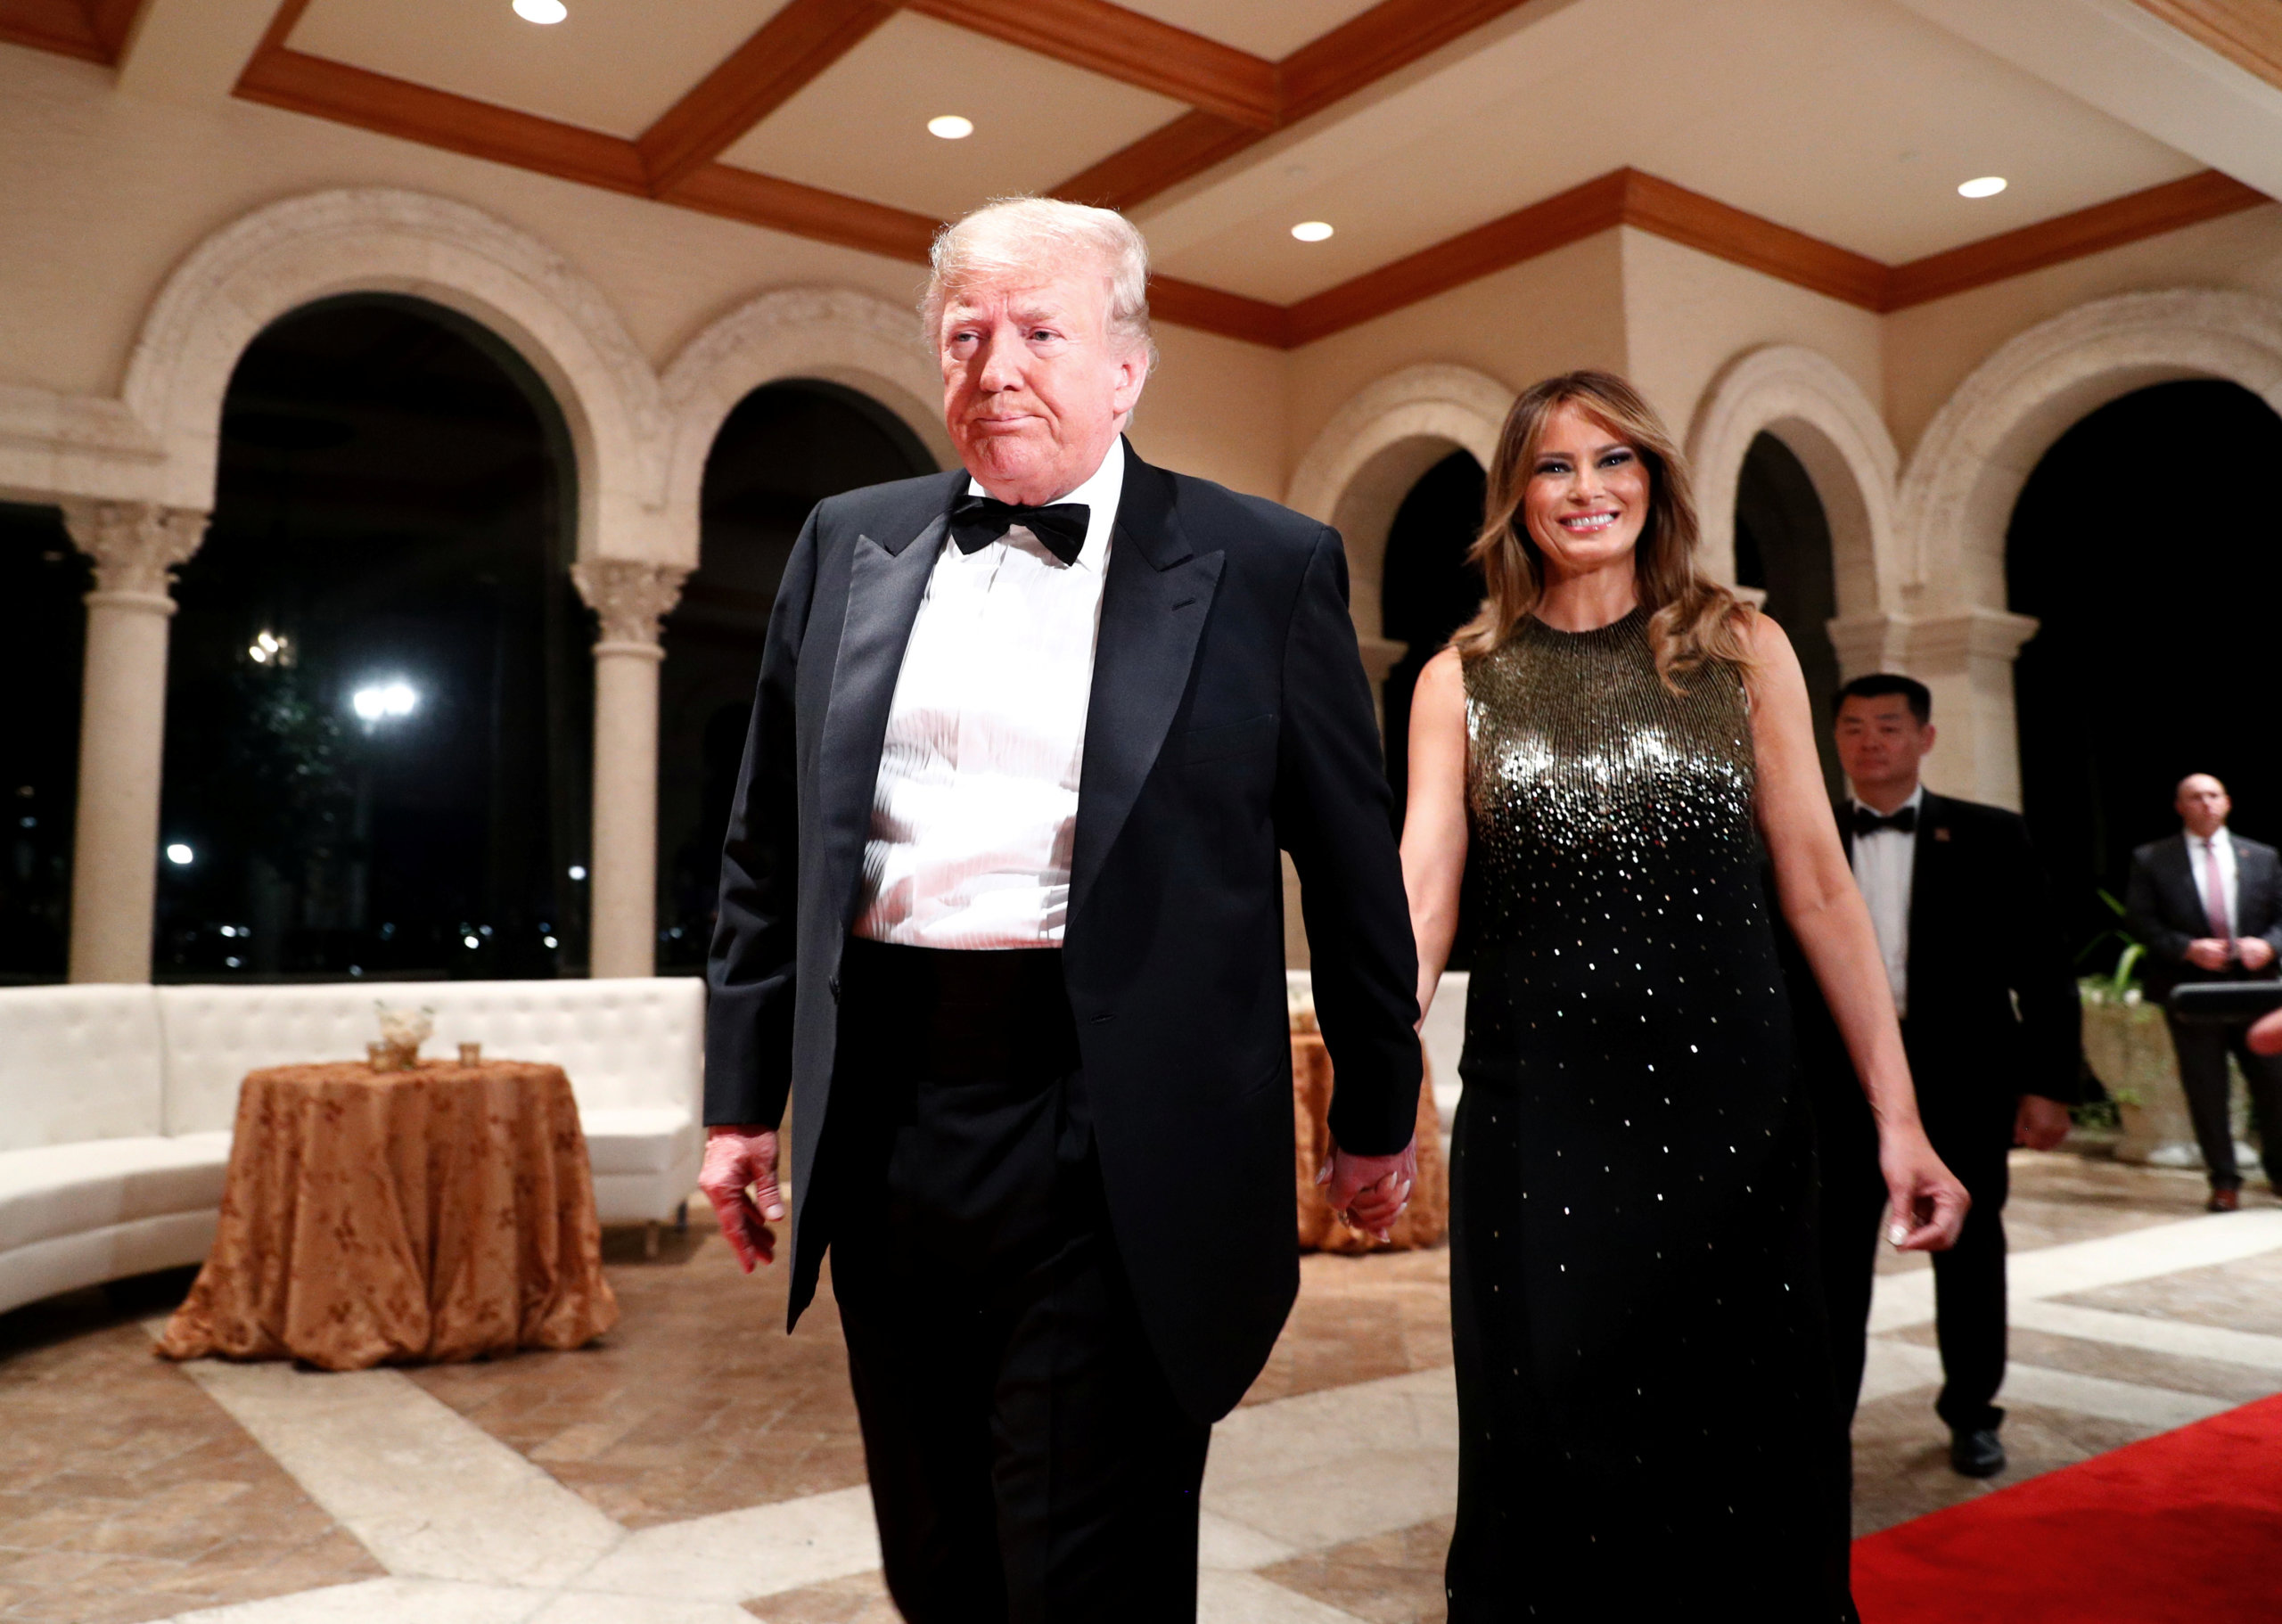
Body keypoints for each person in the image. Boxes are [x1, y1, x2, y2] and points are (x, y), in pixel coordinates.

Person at [696, 196, 1424, 1624]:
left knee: (1089, 1568)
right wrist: (741, 1100)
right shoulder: (849, 540)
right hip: (891, 1103)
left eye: (1041, 331)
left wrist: (1377, 1107)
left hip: (1120, 1119)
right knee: (939, 1550)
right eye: (966, 336)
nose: (997, 367)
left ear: (1127, 366)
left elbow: (1349, 864)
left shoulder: (1264, 563)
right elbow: (765, 849)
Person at [1400, 370, 1966, 1621]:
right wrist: (1382, 1095)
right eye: (1554, 466)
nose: (1587, 489)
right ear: (1517, 494)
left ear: (1654, 482)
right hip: (1537, 1114)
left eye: (1615, 462)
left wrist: (1900, 1116)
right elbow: (1421, 900)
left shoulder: (1738, 645)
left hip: (1735, 1111)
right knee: (1545, 1423)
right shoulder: (1463, 675)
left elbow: (1822, 888)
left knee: (1746, 1432)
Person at [1793, 674, 2082, 1480]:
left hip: (1966, 1082)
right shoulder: (1800, 839)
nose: (1870, 742)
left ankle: (1972, 1413)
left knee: (1970, 1252)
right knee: (1830, 1263)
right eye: (1853, 728)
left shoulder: (1993, 836)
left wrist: (2048, 1083)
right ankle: (1824, 1425)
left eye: (1889, 726)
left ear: (1925, 737)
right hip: (1838, 1089)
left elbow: (2045, 967)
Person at [2125, 773, 2282, 1211]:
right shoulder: (2153, 858)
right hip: (2192, 992)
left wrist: (2269, 945)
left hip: (2258, 989)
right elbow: (2141, 922)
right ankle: (2224, 1181)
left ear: (2228, 803)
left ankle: (2280, 1173)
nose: (2207, 803)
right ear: (2180, 807)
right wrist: (2187, 949)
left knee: (2275, 1085)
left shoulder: (2263, 856)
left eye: (2214, 795)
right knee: (2206, 1089)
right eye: (2196, 797)